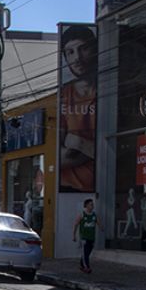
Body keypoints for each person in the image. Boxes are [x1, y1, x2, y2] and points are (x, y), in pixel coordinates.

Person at [59, 25, 97, 193]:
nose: (78, 59)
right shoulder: (63, 95)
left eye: (84, 49)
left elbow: (116, 150)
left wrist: (77, 142)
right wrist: (93, 149)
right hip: (66, 187)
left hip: (101, 188)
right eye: (70, 52)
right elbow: (61, 157)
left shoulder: (110, 92)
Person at [73, 198, 101, 273]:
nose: (92, 206)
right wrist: (74, 235)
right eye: (91, 205)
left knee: (88, 253)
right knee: (85, 253)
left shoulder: (94, 215)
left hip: (92, 237)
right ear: (86, 206)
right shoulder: (82, 214)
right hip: (84, 238)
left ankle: (82, 264)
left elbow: (98, 223)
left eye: (93, 205)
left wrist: (101, 228)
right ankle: (87, 267)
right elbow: (76, 224)